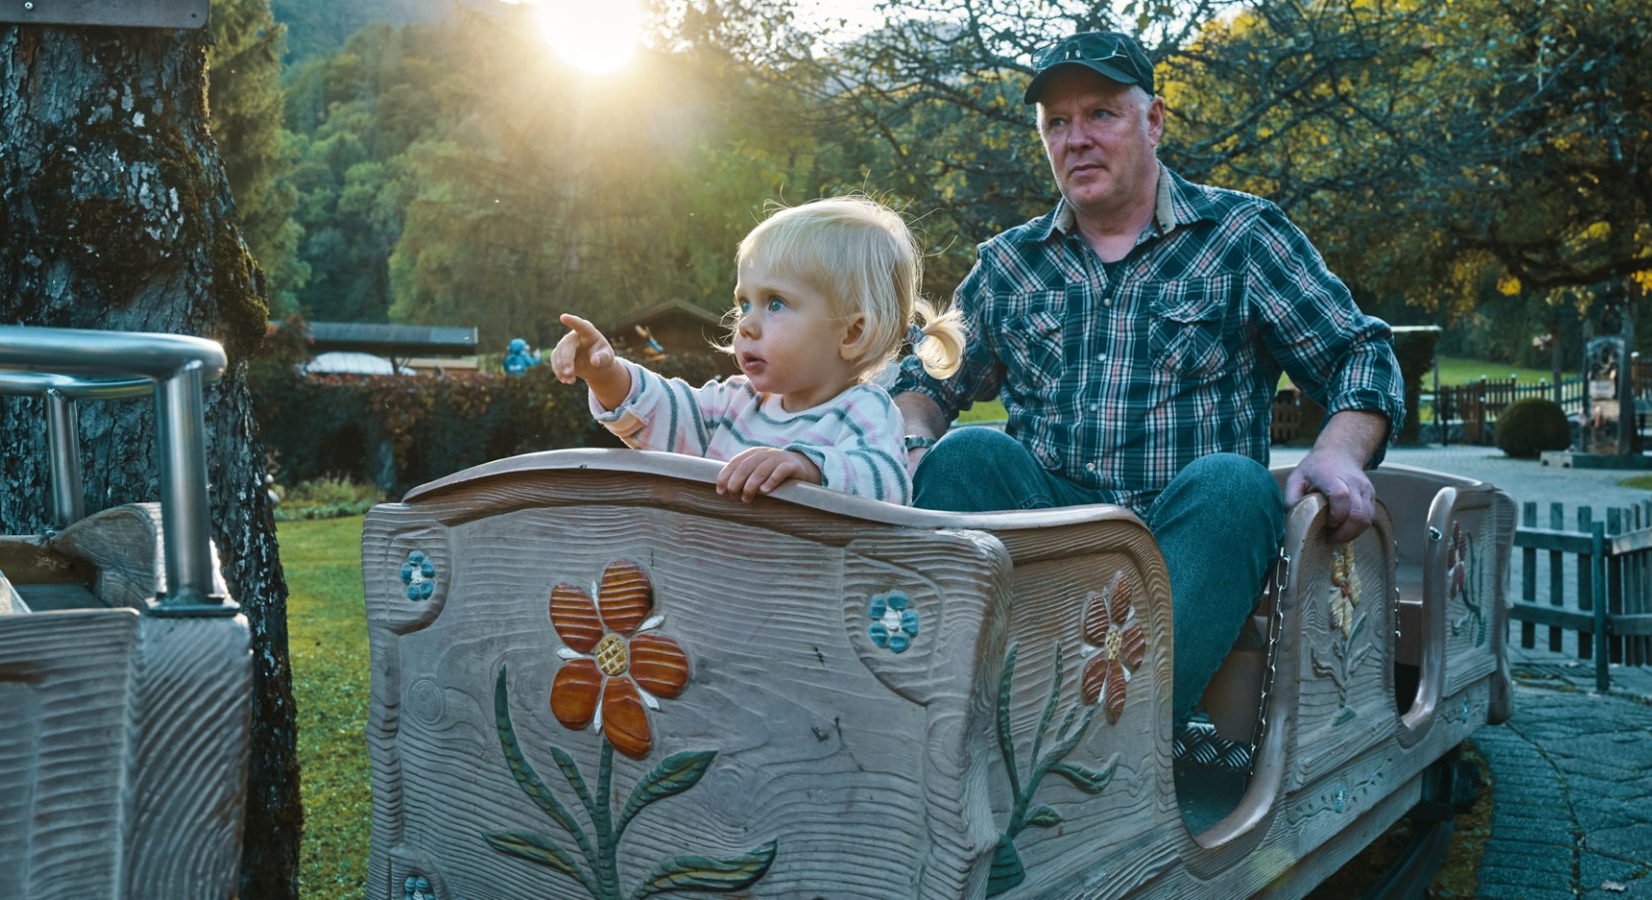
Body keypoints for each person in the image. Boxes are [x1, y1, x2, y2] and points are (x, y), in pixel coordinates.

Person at [892, 31, 1404, 727]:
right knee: (966, 455)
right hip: (1044, 538)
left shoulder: (1241, 236)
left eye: (1100, 113)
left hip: (1185, 541)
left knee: (1234, 484)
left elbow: (1360, 354)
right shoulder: (1010, 264)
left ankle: (1119, 751)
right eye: (1057, 123)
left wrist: (1338, 453)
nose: (1076, 139)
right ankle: (950, 720)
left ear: (1154, 120)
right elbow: (928, 377)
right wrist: (915, 433)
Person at [554, 196, 964, 504]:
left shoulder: (862, 412)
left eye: (775, 303)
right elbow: (665, 412)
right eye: (743, 303)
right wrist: (604, 374)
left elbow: (887, 483)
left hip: (804, 605)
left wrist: (809, 467)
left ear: (851, 333)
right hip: (717, 594)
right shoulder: (734, 403)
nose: (746, 323)